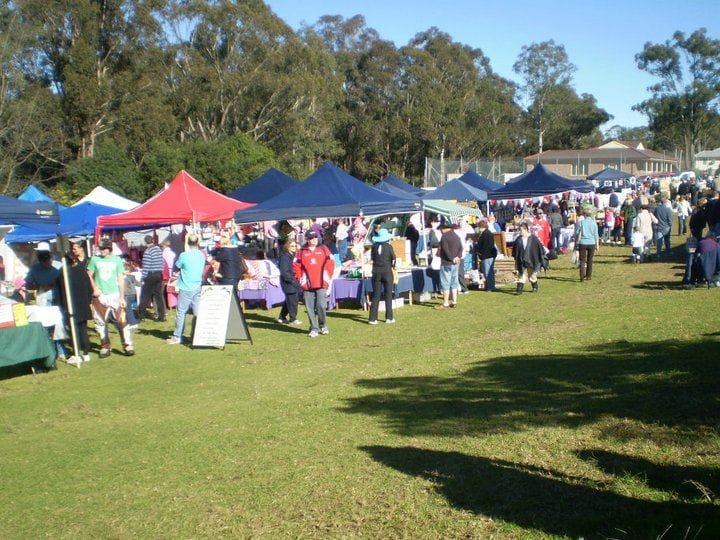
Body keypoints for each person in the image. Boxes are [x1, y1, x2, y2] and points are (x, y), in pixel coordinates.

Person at [86, 239, 134, 358]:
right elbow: (89, 274)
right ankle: (105, 346)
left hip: (115, 294)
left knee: (122, 321)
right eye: (100, 248)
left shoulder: (117, 260)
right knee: (100, 321)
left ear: (109, 249)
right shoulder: (94, 259)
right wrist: (94, 288)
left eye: (104, 248)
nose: (102, 250)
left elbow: (120, 278)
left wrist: (122, 296)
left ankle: (127, 344)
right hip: (100, 295)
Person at [25, 241, 67, 359]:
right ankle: (49, 350)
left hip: (58, 297)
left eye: (48, 258)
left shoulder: (59, 265)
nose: (47, 262)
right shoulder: (35, 268)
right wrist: (41, 286)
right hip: (43, 298)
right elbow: (28, 285)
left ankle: (61, 350)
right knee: (46, 324)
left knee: (59, 323)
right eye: (43, 259)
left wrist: (56, 284)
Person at [293, 230, 335, 337]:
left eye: (316, 237)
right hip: (307, 284)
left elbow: (331, 262)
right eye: (312, 238)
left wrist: (327, 276)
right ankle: (313, 328)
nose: (314, 239)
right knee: (309, 306)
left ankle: (323, 325)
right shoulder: (301, 251)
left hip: (321, 282)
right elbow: (296, 266)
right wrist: (300, 279)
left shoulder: (324, 249)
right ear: (307, 239)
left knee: (321, 305)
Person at [166, 234, 206, 345]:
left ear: (187, 243)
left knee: (181, 312)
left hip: (185, 286)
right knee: (197, 312)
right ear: (197, 243)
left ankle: (178, 336)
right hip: (197, 285)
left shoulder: (184, 255)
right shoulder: (202, 255)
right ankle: (196, 335)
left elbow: (178, 265)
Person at [62, 242, 93, 364]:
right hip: (82, 304)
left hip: (73, 305)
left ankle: (78, 352)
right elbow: (88, 288)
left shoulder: (65, 274)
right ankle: (85, 353)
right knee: (83, 328)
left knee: (74, 329)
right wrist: (88, 301)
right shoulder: (81, 270)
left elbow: (63, 291)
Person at [368, 228, 396, 324]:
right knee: (388, 295)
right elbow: (394, 258)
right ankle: (389, 317)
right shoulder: (389, 247)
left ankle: (372, 318)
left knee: (376, 295)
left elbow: (372, 258)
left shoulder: (374, 247)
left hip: (376, 272)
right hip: (387, 272)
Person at [434, 217, 463, 309]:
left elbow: (445, 250)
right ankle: (454, 301)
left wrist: (451, 258)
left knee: (445, 283)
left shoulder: (444, 237)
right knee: (454, 282)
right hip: (456, 262)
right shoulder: (456, 235)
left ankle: (445, 303)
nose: (441, 231)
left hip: (447, 263)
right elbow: (461, 248)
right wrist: (458, 257)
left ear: (444, 228)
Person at [137, 235, 165, 322]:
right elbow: (162, 262)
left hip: (150, 275)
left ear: (146, 243)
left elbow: (146, 267)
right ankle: (162, 316)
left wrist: (142, 278)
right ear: (152, 241)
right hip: (159, 274)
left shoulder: (147, 252)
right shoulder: (159, 250)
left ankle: (141, 316)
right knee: (159, 296)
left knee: (145, 296)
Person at [512, 221, 544, 294]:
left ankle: (535, 287)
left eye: (521, 230)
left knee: (532, 275)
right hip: (521, 259)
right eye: (520, 230)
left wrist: (540, 258)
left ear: (526, 229)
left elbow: (539, 248)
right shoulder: (519, 239)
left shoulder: (533, 238)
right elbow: (515, 249)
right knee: (521, 274)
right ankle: (519, 290)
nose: (520, 232)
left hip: (531, 259)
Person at [277, 239, 302, 325]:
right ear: (287, 247)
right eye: (292, 246)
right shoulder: (285, 257)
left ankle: (282, 317)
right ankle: (293, 319)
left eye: (295, 246)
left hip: (292, 280)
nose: (294, 247)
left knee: (289, 300)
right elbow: (284, 271)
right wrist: (292, 280)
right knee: (293, 300)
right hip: (288, 281)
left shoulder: (292, 256)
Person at [575, 207, 600, 281]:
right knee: (590, 259)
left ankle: (582, 275)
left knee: (582, 260)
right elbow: (596, 235)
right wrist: (597, 245)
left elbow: (577, 232)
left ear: (585, 214)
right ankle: (588, 275)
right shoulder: (594, 223)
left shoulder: (582, 222)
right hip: (592, 243)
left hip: (583, 242)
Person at [474, 219, 497, 291]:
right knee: (489, 272)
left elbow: (485, 246)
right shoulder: (488, 233)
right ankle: (490, 286)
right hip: (489, 255)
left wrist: (478, 249)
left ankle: (489, 287)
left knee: (488, 272)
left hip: (487, 255)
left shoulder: (485, 234)